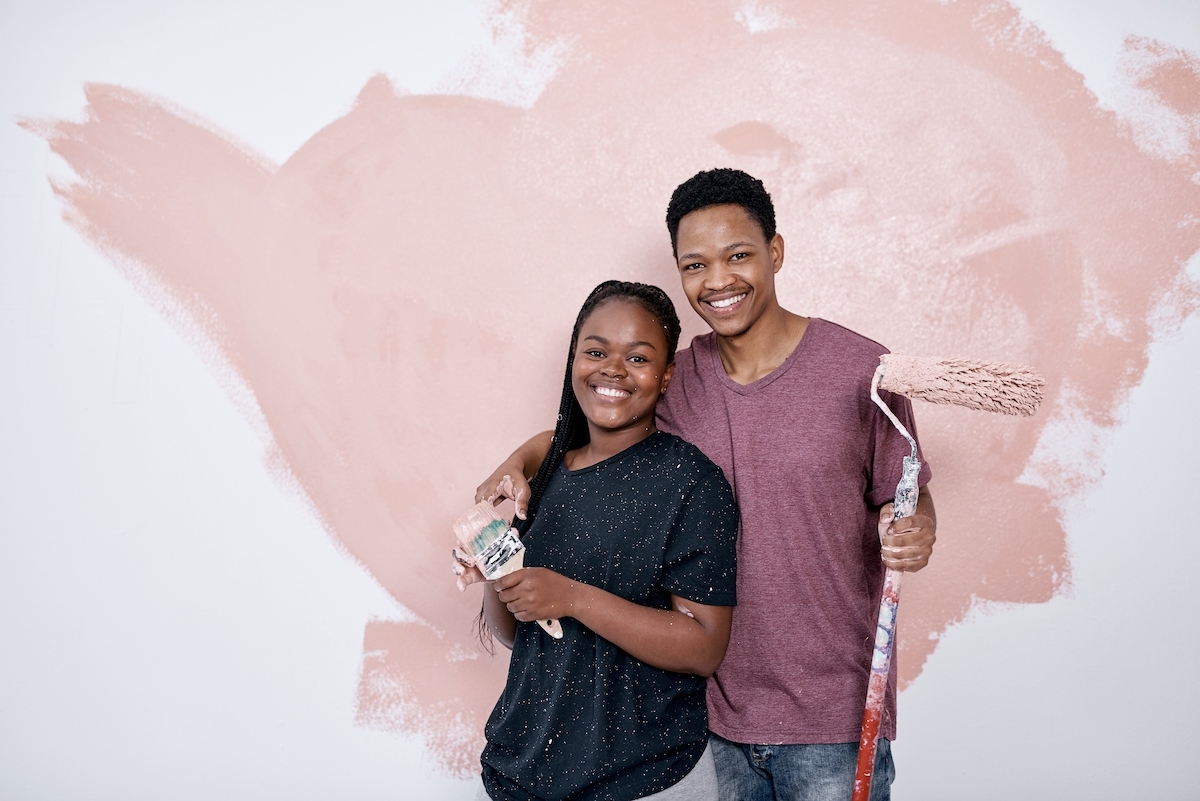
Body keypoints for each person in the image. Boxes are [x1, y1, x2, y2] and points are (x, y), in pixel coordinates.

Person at [476, 169, 937, 801]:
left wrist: (917, 528)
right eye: (695, 265)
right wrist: (513, 467)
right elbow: (581, 432)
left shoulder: (861, 369)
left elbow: (905, 491)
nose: (718, 281)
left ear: (775, 252)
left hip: (832, 713)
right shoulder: (674, 376)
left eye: (738, 256)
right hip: (709, 719)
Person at [457, 280, 740, 801]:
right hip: (520, 773)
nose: (612, 369)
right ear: (574, 360)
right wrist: (494, 568)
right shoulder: (543, 473)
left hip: (643, 779)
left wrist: (571, 597)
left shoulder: (692, 483)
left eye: (637, 357)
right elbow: (516, 634)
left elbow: (704, 647)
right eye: (595, 351)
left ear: (666, 374)